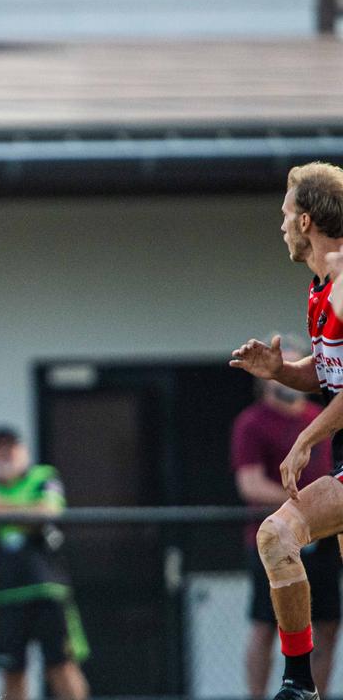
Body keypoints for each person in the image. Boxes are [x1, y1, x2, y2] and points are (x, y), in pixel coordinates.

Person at [231, 162, 343, 700]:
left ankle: (298, 685)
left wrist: (306, 438)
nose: (278, 225)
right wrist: (280, 372)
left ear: (305, 221)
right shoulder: (321, 289)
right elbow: (330, 379)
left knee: (276, 535)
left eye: (283, 214)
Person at [230, 338, 339, 700]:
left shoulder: (320, 416)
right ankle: (262, 695)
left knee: (326, 623)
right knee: (265, 626)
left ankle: (313, 692)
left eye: (297, 367)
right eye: (283, 370)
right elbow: (249, 483)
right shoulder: (252, 422)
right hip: (276, 533)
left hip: (323, 538)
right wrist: (300, 507)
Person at [0, 426, 89, 700]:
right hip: (7, 595)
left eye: (12, 446)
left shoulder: (44, 477)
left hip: (48, 591)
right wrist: (27, 512)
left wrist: (1, 511)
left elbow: (49, 511)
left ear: (24, 450)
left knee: (62, 666)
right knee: (12, 672)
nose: (6, 453)